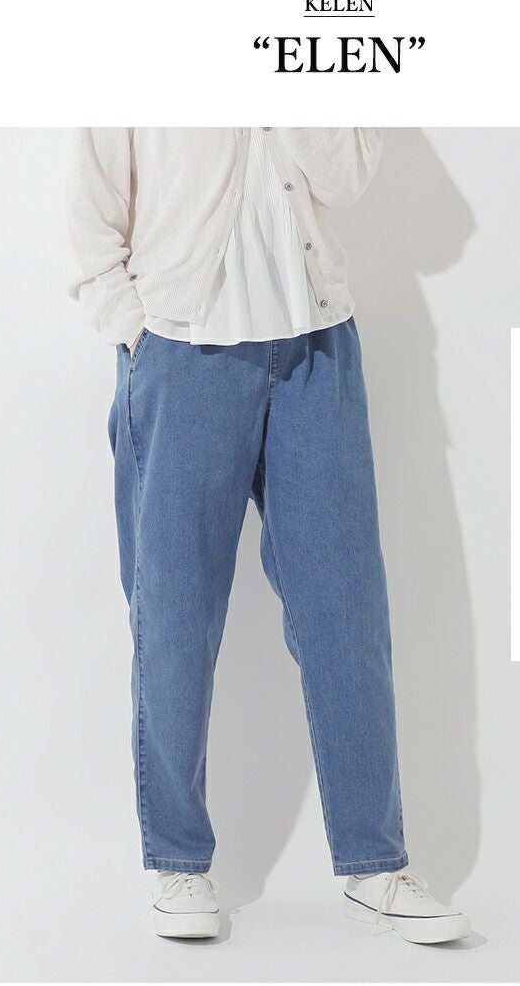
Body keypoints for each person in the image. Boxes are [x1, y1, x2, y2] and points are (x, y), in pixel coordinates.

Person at [65, 127, 470, 944]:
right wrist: (136, 331)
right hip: (182, 352)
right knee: (175, 620)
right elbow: (90, 214)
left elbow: (348, 179)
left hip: (316, 348)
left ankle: (375, 864)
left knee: (346, 615)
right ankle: (178, 862)